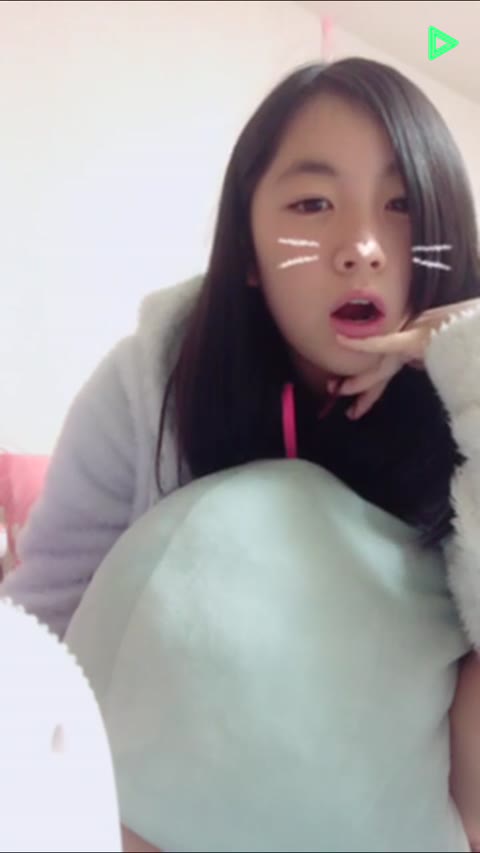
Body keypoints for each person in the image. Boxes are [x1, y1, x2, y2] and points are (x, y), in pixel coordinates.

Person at [2, 57, 480, 850]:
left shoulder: (463, 400)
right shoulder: (155, 380)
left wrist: (468, 368)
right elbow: (41, 621)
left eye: (400, 205)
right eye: (312, 204)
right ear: (250, 252)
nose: (362, 246)